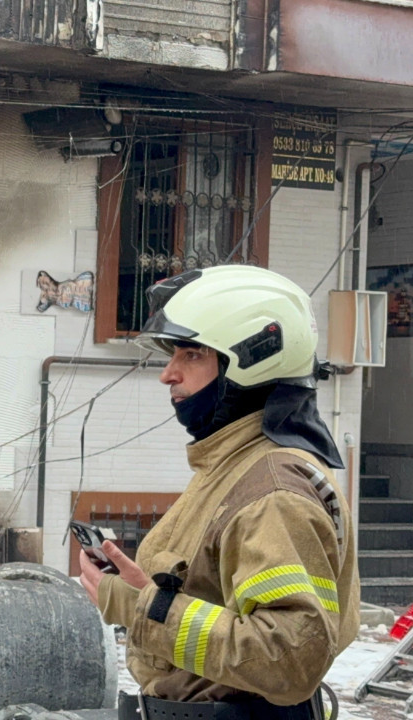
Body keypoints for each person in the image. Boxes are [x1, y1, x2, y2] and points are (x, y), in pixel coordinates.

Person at [78, 266, 359, 720]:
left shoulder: (272, 491)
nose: (167, 375)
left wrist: (145, 608)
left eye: (190, 355)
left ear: (252, 360)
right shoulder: (234, 466)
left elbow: (289, 657)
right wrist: (141, 588)